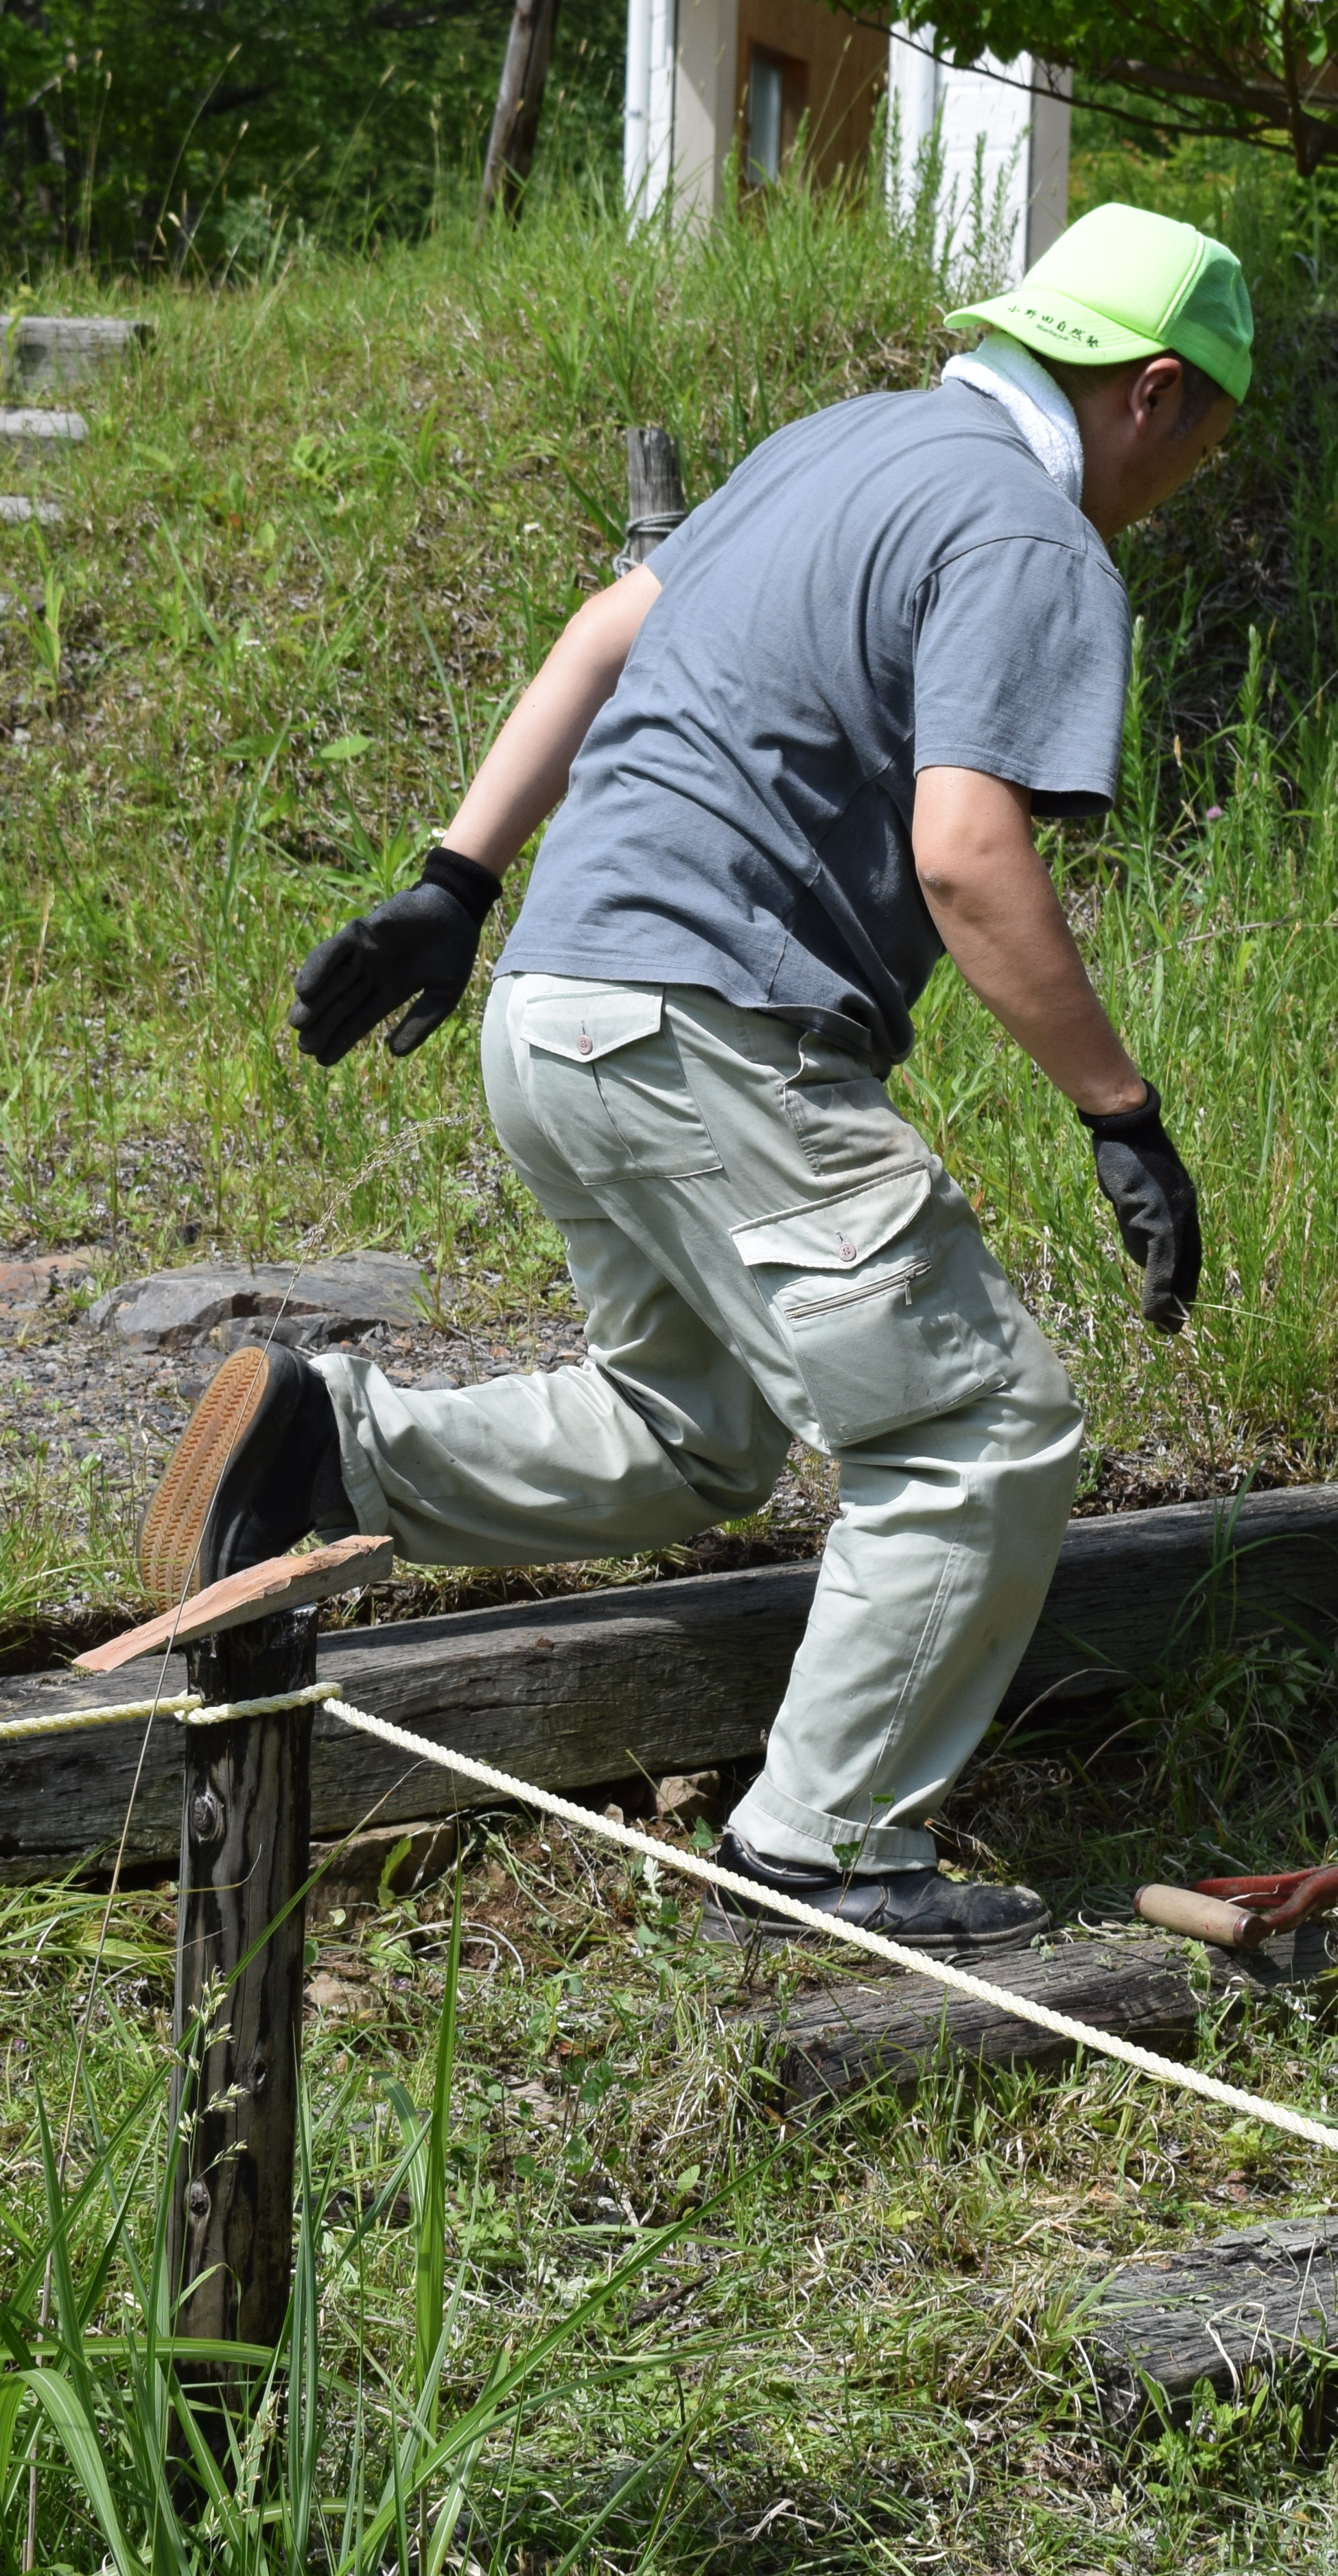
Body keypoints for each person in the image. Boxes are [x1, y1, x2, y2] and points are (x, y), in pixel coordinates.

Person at [135, 205, 1251, 1958]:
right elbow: (967, 856)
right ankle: (825, 1849)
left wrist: (456, 880)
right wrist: (1121, 1111)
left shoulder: (836, 441)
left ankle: (329, 1441)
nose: (1188, 480)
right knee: (979, 1428)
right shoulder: (1032, 531)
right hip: (708, 1021)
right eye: (1207, 444)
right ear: (1157, 396)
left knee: (692, 1431)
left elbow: (602, 628)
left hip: (558, 1000)